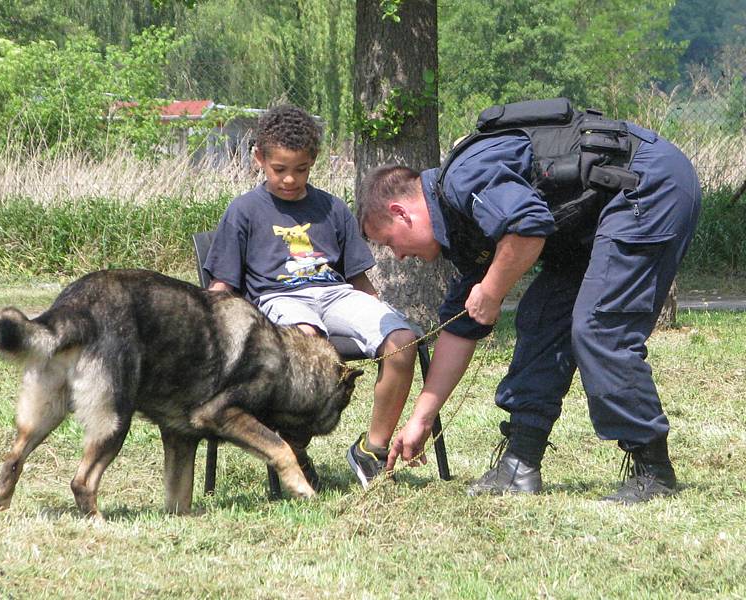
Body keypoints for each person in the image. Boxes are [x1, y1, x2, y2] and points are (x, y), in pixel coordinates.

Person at [356, 98, 701, 503]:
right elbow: (460, 328)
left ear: (401, 213)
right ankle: (519, 463)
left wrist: (492, 290)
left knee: (598, 326)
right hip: (596, 215)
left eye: (389, 243)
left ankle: (653, 469)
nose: (397, 256)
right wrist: (421, 420)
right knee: (542, 319)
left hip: (648, 185)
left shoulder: (463, 178)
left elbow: (528, 228)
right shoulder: (461, 227)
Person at [204, 104, 417, 490]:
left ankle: (373, 448)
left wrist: (381, 311)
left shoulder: (332, 208)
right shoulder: (244, 211)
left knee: (401, 341)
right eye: (279, 169)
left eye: (300, 170)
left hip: (335, 294)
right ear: (259, 159)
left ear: (313, 161)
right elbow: (222, 288)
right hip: (277, 300)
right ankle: (294, 452)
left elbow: (358, 279)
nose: (289, 179)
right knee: (308, 344)